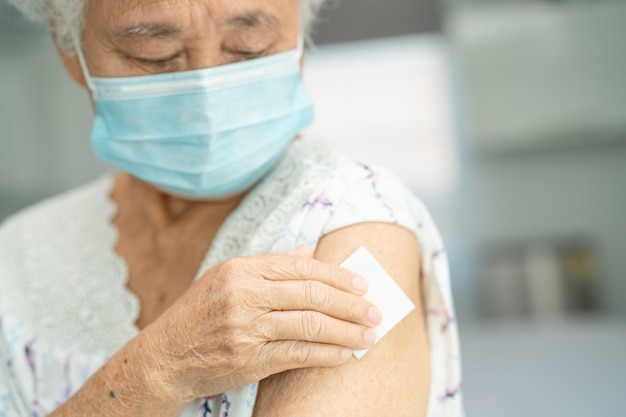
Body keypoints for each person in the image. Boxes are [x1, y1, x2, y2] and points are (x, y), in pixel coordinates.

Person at [0, 0, 463, 416]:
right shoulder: (17, 254)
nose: (206, 95)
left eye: (248, 47)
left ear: (299, 43)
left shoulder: (357, 218)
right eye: (154, 56)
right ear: (72, 53)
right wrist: (155, 372)